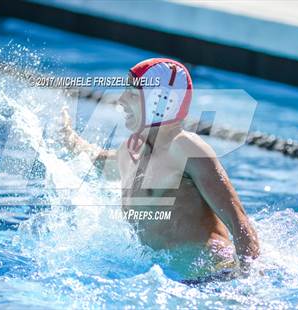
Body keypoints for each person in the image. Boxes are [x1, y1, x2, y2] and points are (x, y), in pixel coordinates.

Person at [61, 58, 259, 281]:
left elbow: (240, 224)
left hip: (214, 278)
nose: (122, 101)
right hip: (170, 279)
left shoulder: (185, 147)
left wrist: (246, 283)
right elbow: (103, 163)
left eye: (133, 94)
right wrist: (71, 141)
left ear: (162, 102)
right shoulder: (130, 151)